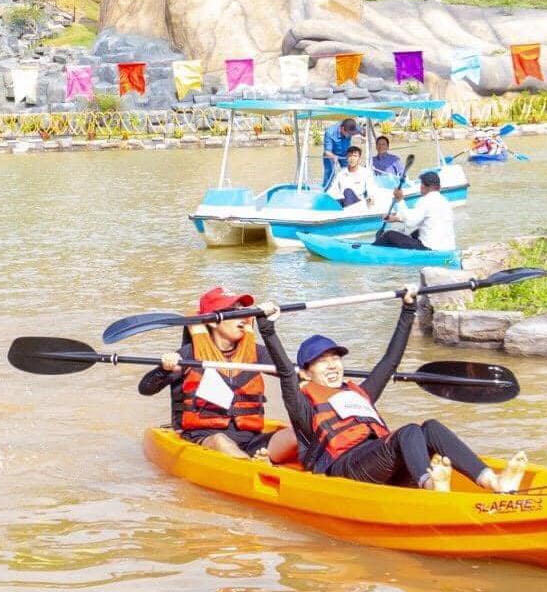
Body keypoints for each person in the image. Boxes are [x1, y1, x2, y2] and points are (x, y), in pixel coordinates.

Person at [258, 293, 525, 493]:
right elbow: (283, 371)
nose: (332, 364)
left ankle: (493, 481)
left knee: (430, 427)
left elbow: (389, 362)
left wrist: (408, 309)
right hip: (343, 469)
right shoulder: (301, 404)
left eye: (336, 358)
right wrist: (268, 327)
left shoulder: (359, 393)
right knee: (408, 431)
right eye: (322, 360)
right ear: (305, 373)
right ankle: (430, 485)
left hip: (378, 462)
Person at [139, 286, 296, 461]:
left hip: (251, 439)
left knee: (298, 434)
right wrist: (164, 369)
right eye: (233, 311)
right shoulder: (189, 354)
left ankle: (259, 459)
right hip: (206, 437)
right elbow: (145, 388)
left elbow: (293, 374)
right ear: (213, 321)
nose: (243, 317)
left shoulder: (257, 352)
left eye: (242, 310)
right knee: (221, 441)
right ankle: (251, 467)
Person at [374, 169, 457, 257]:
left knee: (389, 235)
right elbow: (419, 217)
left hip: (431, 249)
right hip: (449, 248)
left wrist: (400, 200)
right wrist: (395, 218)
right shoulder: (445, 202)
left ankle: (372, 251)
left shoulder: (425, 200)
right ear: (439, 187)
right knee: (416, 233)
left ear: (422, 186)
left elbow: (410, 223)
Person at [321, 117, 361, 189]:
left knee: (350, 170)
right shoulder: (330, 132)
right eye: (349, 134)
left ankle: (350, 189)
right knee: (329, 172)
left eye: (351, 134)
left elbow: (362, 131)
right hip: (331, 154)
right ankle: (326, 190)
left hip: (345, 153)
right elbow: (327, 151)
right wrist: (334, 157)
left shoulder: (353, 126)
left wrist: (364, 135)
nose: (350, 135)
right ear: (342, 129)